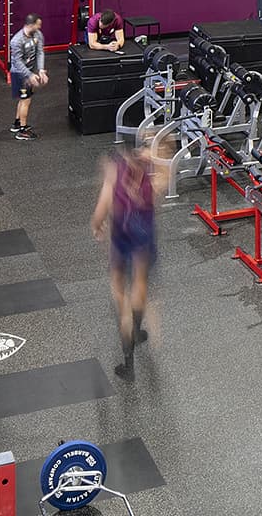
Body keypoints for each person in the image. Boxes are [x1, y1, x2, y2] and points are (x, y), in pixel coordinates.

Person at [91, 140, 168, 380]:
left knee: (119, 289)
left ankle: (128, 361)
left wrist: (97, 226)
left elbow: (102, 207)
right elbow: (162, 182)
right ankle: (137, 327)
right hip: (143, 232)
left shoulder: (115, 172)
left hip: (122, 233)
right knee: (140, 284)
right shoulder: (150, 174)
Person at [8, 14, 47, 140]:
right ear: (31, 25)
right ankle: (23, 131)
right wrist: (29, 75)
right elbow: (17, 62)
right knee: (26, 100)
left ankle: (17, 124)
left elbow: (40, 52)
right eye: (38, 24)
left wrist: (41, 70)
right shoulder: (16, 41)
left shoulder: (38, 34)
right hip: (19, 74)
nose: (40, 26)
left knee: (23, 99)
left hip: (30, 71)